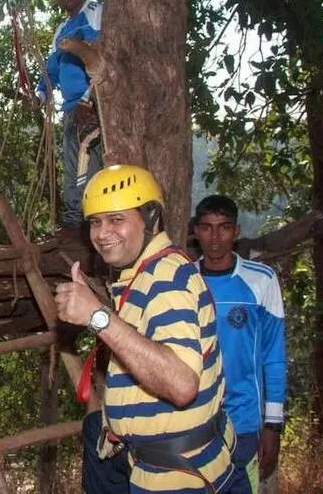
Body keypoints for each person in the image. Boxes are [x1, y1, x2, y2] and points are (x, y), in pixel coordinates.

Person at [55, 164, 239, 493]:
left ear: (151, 218)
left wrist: (97, 316)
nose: (101, 233)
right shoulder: (143, 274)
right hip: (163, 468)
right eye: (95, 222)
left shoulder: (166, 278)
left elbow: (181, 384)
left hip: (181, 479)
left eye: (116, 219)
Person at [193, 195, 287, 493]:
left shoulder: (261, 280)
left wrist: (272, 424)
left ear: (236, 232)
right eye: (207, 228)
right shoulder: (184, 279)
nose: (215, 237)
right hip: (193, 420)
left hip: (244, 421)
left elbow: (274, 355)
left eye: (224, 228)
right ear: (196, 232)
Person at [27, 0, 103, 234]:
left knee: (90, 168)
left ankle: (88, 225)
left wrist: (88, 99)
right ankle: (75, 225)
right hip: (72, 110)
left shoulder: (95, 13)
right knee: (73, 169)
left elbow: (103, 58)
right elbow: (51, 71)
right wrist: (39, 94)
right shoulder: (61, 29)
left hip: (96, 107)